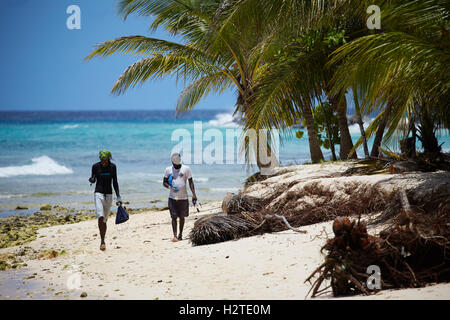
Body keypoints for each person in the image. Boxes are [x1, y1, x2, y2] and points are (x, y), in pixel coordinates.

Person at [89, 150, 122, 251]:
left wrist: (118, 196)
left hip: (109, 194)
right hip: (98, 193)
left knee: (105, 220)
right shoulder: (95, 166)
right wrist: (92, 179)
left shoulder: (113, 167)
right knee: (100, 216)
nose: (103, 161)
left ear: (109, 158)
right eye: (101, 159)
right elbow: (93, 179)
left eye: (105, 159)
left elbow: (115, 182)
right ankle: (102, 241)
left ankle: (103, 238)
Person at [163, 153, 197, 242]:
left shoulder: (186, 169)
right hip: (172, 198)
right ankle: (175, 235)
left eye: (178, 164)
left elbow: (191, 182)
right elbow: (164, 182)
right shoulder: (168, 169)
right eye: (175, 164)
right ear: (172, 162)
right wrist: (170, 187)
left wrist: (194, 194)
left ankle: (180, 234)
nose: (176, 166)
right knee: (173, 217)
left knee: (182, 217)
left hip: (184, 198)